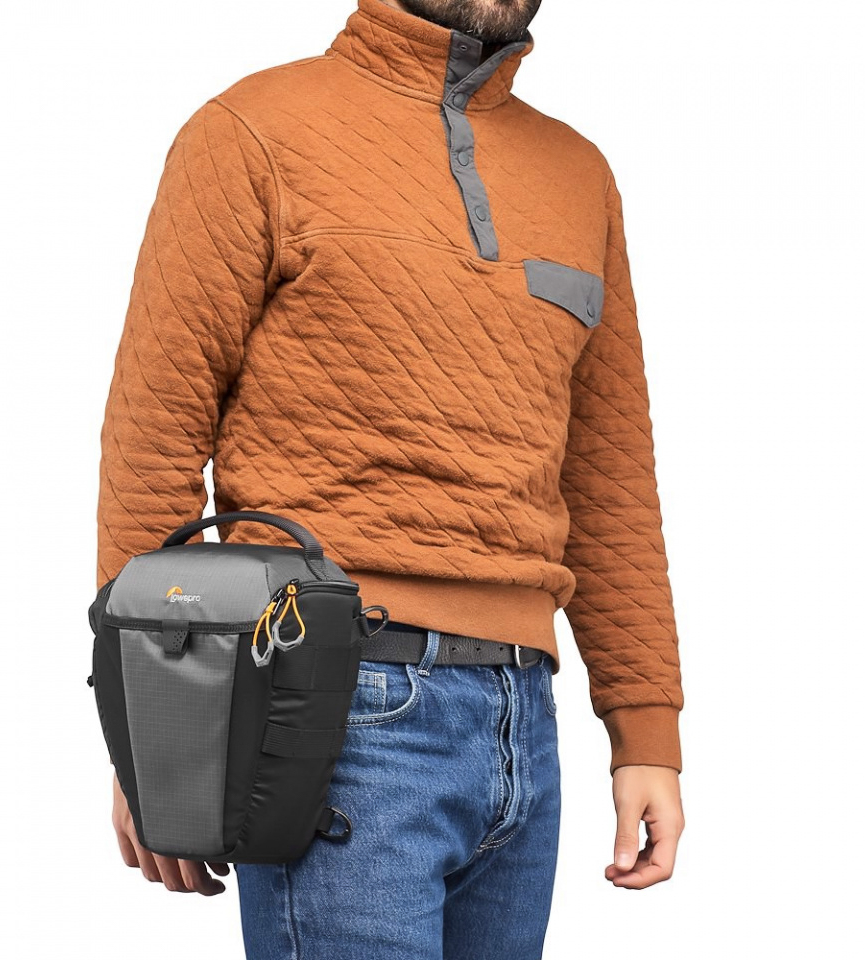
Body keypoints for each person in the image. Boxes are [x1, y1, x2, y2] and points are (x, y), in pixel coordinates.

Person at [95, 0, 685, 955]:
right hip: (332, 702)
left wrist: (644, 732)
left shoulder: (581, 175)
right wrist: (153, 724)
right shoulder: (251, 133)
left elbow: (610, 474)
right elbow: (153, 438)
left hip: (524, 721)